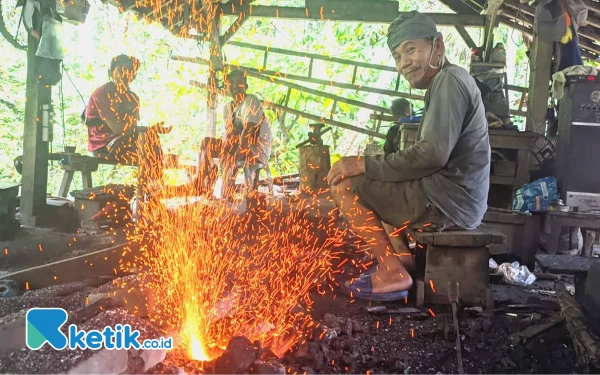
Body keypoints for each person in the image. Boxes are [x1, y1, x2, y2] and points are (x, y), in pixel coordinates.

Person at [327, 11, 491, 301]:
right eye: (397, 55)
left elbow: (432, 155)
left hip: (449, 203)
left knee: (345, 183)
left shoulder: (450, 81)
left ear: (437, 47)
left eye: (411, 49)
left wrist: (361, 164)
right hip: (455, 198)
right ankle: (402, 257)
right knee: (385, 178)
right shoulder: (446, 82)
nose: (404, 62)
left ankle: (392, 270)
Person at [84, 54, 167, 191]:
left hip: (124, 139)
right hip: (103, 144)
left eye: (129, 71)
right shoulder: (102, 93)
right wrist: (145, 130)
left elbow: (131, 129)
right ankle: (144, 192)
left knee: (151, 140)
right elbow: (118, 129)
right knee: (145, 146)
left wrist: (151, 130)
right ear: (111, 72)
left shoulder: (133, 98)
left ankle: (153, 189)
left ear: (133, 75)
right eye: (121, 70)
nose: (125, 74)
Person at [192, 68, 272, 196]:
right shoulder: (228, 108)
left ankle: (227, 194)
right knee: (206, 142)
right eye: (231, 83)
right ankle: (200, 184)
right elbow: (229, 135)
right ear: (226, 87)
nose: (235, 86)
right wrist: (227, 148)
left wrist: (236, 153)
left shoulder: (251, 101)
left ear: (245, 86)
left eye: (238, 82)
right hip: (236, 146)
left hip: (255, 149)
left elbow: (249, 131)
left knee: (230, 154)